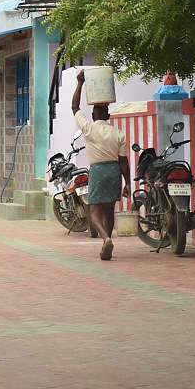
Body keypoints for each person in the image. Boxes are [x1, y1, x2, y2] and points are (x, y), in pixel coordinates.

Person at [72, 70, 131, 260]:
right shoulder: (118, 133)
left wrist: (80, 82)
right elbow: (123, 161)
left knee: (94, 209)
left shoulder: (89, 129)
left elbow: (74, 107)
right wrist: (128, 183)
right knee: (109, 210)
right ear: (109, 116)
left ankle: (105, 239)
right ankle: (108, 238)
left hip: (97, 171)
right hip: (114, 171)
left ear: (93, 114)